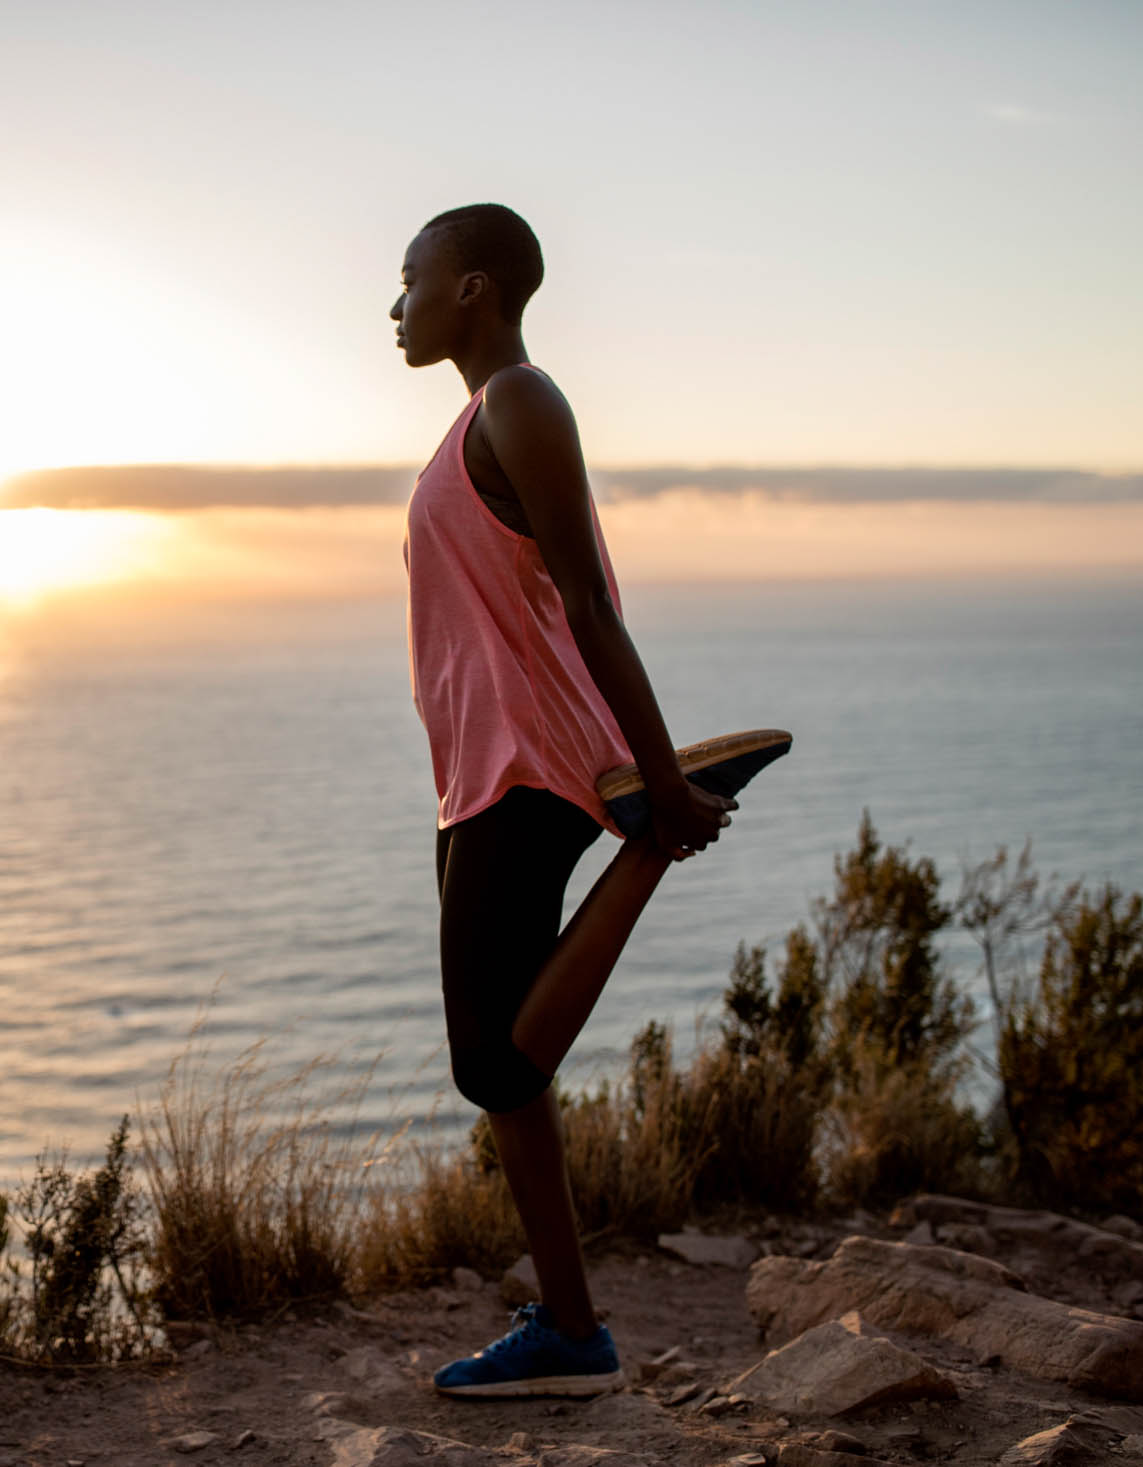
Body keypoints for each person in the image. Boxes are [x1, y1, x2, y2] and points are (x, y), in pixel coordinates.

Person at [395, 203, 788, 1398]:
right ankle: (569, 1328)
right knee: (510, 1073)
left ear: (472, 287)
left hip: (536, 758)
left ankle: (654, 839)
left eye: (408, 280)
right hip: (477, 771)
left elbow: (587, 599)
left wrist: (660, 776)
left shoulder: (521, 399)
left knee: (491, 1067)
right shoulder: (475, 421)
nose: (392, 305)